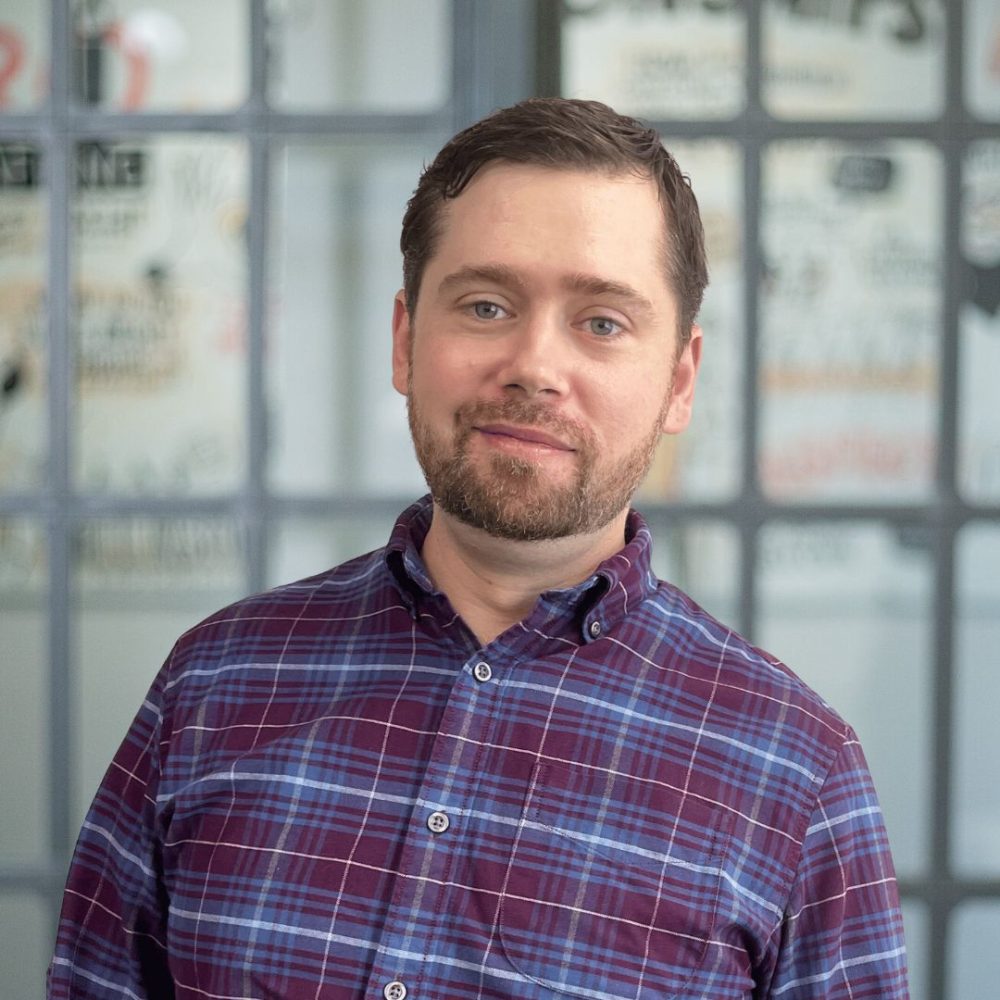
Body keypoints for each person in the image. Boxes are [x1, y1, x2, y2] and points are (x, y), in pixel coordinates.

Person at [49, 98, 909, 1000]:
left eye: (602, 322)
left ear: (679, 381)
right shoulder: (214, 683)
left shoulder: (796, 774)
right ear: (405, 340)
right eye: (487, 305)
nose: (533, 366)